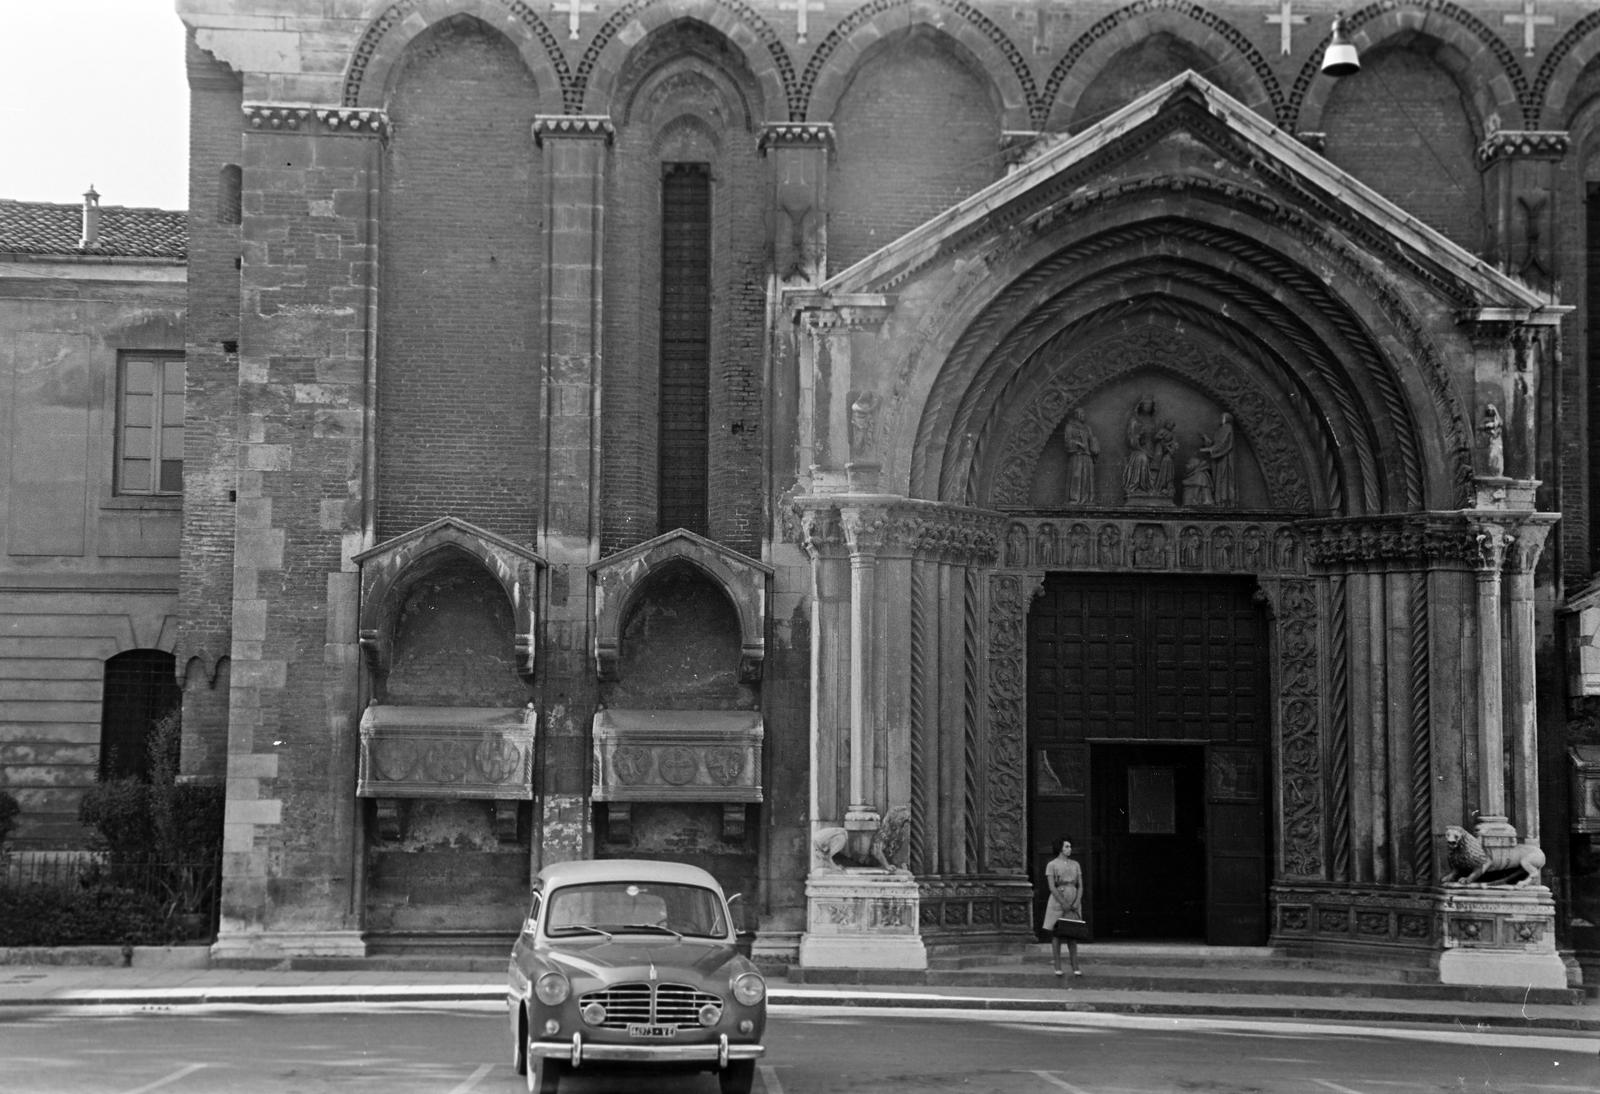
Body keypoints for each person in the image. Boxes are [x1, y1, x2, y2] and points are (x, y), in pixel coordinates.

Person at [1041, 835, 1085, 977]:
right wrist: (1063, 903)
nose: (1069, 849)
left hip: (1073, 898)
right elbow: (1052, 886)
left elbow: (1080, 885)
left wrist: (1077, 901)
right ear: (1060, 848)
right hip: (1058, 900)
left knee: (1072, 933)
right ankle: (1058, 966)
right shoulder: (1052, 865)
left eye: (1070, 846)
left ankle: (1075, 965)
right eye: (1066, 846)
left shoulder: (1076, 864)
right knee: (1057, 934)